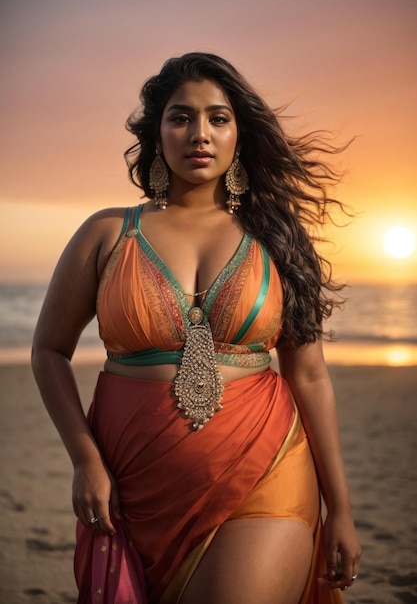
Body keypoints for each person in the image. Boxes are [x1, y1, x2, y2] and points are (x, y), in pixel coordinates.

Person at [32, 52, 361, 604]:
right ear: (156, 132)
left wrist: (343, 510)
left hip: (266, 467)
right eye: (181, 117)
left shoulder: (276, 239)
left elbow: (309, 377)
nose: (199, 133)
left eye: (218, 118)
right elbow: (48, 351)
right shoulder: (109, 233)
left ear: (239, 134)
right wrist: (84, 460)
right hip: (132, 486)